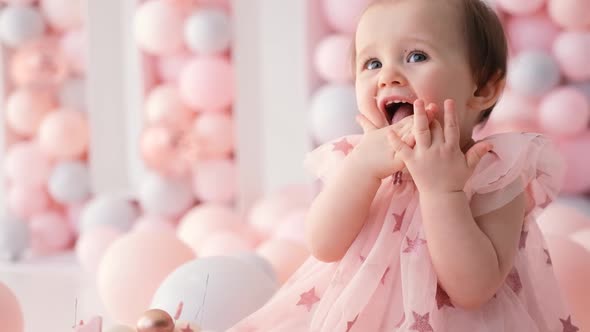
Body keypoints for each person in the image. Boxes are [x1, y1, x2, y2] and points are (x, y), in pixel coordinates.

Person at [229, 0, 577, 330]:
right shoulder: (360, 161)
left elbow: (473, 290)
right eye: (372, 64)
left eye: (416, 56)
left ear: (482, 89)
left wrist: (443, 191)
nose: (388, 76)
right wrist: (361, 169)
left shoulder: (492, 175)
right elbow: (324, 245)